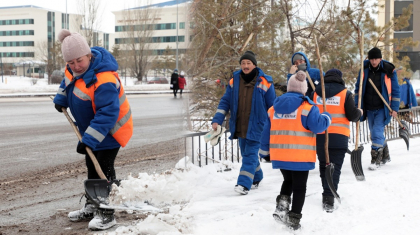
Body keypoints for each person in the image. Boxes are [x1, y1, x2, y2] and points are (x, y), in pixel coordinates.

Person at [52, 29, 133, 231]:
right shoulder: (73, 69)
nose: (75, 66)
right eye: (70, 62)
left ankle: (107, 213)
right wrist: (61, 98)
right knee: (91, 166)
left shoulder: (104, 78)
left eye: (79, 60)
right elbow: (67, 82)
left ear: (89, 55)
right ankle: (92, 205)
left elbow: (108, 113)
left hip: (109, 132)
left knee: (103, 170)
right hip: (92, 130)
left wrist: (89, 139)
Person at [259, 70, 331, 230]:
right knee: (299, 187)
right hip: (300, 156)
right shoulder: (308, 108)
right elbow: (318, 127)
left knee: (288, 180)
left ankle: (281, 208)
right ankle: (294, 219)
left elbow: (265, 132)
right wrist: (326, 117)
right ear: (304, 90)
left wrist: (264, 151)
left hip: (280, 155)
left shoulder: (273, 108)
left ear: (289, 88)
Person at [211, 50, 276, 195]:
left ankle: (243, 184)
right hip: (240, 125)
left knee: (249, 154)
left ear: (254, 65)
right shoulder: (234, 80)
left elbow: (272, 107)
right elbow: (225, 101)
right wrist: (217, 120)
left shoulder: (265, 81)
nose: (245, 66)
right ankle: (257, 177)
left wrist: (273, 126)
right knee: (248, 153)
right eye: (243, 63)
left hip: (258, 126)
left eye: (248, 63)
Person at [310, 69, 362, 212]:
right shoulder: (345, 93)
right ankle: (329, 196)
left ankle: (326, 193)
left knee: (323, 165)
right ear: (340, 78)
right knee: (335, 168)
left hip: (321, 136)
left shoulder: (315, 93)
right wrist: (360, 113)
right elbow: (352, 115)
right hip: (339, 136)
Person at [354, 47, 400, 170]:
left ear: (380, 58)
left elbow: (395, 91)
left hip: (383, 108)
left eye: (376, 59)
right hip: (369, 107)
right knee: (374, 133)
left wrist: (394, 108)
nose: (374, 61)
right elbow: (358, 88)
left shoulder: (389, 71)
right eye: (371, 59)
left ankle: (375, 159)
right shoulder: (364, 69)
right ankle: (386, 155)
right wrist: (356, 105)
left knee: (376, 132)